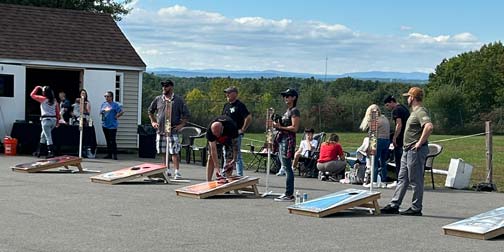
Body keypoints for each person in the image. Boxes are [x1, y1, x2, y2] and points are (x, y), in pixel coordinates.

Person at [381, 87, 433, 216]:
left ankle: (416, 207)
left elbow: (429, 126)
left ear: (413, 98)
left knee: (415, 179)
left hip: (414, 150)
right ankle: (395, 204)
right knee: (402, 178)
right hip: (407, 150)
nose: (407, 99)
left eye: (408, 97)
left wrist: (419, 142)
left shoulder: (420, 111)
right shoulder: (413, 112)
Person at [148, 80, 190, 179]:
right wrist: (153, 122)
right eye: (163, 86)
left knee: (174, 151)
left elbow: (186, 114)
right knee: (163, 151)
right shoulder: (158, 99)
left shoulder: (178, 100)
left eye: (166, 86)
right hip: (161, 130)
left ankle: (177, 171)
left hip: (172, 130)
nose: (164, 88)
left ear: (171, 87)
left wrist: (181, 125)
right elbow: (150, 111)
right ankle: (166, 169)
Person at [273, 88, 300, 202]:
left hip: (288, 140)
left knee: (287, 168)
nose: (286, 98)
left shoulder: (294, 111)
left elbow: (294, 128)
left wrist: (280, 127)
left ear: (293, 97)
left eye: (288, 96)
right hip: (282, 139)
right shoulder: (287, 111)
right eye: (285, 96)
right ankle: (288, 193)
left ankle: (289, 194)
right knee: (285, 166)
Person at [222, 86, 252, 177]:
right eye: (226, 93)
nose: (227, 95)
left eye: (229, 93)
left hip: (236, 134)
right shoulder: (226, 105)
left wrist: (242, 129)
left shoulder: (240, 105)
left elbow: (248, 117)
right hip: (226, 134)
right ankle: (225, 173)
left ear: (235, 94)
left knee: (237, 155)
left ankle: (239, 175)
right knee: (225, 154)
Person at [359, 104, 390, 185]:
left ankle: (374, 181)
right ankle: (384, 181)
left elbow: (372, 134)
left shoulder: (374, 119)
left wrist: (369, 147)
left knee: (374, 162)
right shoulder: (384, 118)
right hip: (387, 141)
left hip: (378, 140)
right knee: (383, 162)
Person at [384, 95, 410, 188]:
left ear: (391, 102)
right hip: (406, 137)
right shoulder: (403, 108)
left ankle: (400, 181)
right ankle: (405, 180)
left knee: (399, 160)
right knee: (405, 160)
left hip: (400, 138)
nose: (387, 108)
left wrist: (394, 137)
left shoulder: (396, 110)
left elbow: (399, 124)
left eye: (387, 105)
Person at [205, 115, 239, 182]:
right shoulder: (210, 131)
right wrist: (217, 169)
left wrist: (234, 159)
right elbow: (213, 150)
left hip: (228, 139)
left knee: (229, 159)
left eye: (218, 133)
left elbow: (235, 146)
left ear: (222, 128)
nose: (217, 135)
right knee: (211, 157)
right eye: (215, 134)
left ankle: (227, 181)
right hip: (216, 141)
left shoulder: (231, 127)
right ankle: (208, 181)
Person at [30, 85, 60, 158]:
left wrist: (37, 87)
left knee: (48, 136)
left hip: (46, 120)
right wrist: (58, 121)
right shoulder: (54, 100)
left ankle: (51, 152)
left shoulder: (43, 99)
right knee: (43, 135)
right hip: (53, 120)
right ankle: (39, 151)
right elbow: (57, 111)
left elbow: (32, 95)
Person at [100, 91, 124, 160]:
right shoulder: (104, 104)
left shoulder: (115, 105)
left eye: (108, 96)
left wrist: (117, 116)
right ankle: (109, 154)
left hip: (112, 125)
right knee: (107, 140)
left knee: (112, 140)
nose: (106, 98)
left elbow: (121, 111)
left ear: (111, 97)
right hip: (105, 124)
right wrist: (103, 112)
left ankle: (115, 154)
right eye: (105, 96)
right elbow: (101, 112)